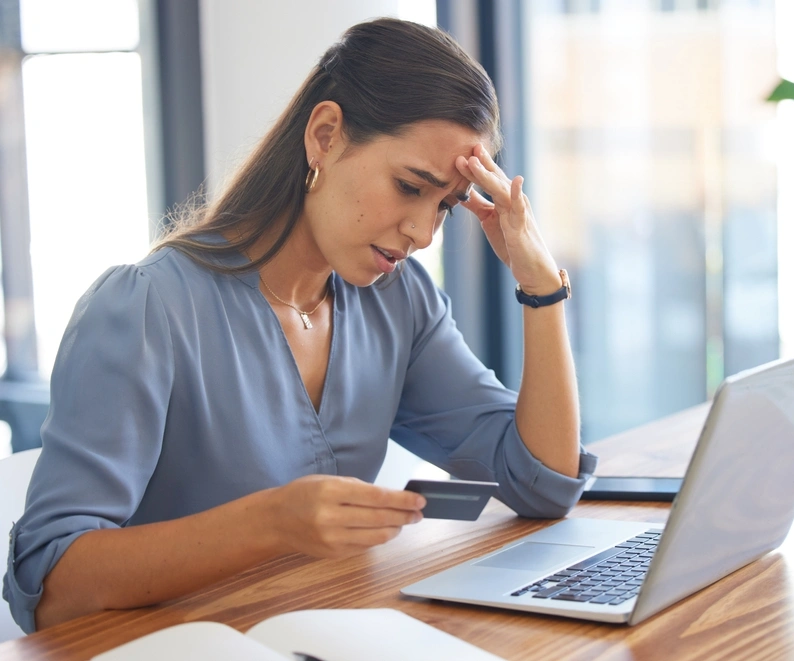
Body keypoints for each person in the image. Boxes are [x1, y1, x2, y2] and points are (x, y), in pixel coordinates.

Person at [2, 18, 597, 634]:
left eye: (444, 206)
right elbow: (51, 586)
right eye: (409, 186)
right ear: (325, 136)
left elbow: (542, 483)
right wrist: (271, 522)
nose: (423, 234)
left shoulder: (398, 302)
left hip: (325, 636)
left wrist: (540, 283)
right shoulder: (147, 309)